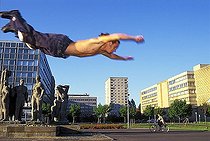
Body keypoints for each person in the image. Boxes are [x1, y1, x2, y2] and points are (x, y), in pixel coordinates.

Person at [0, 10, 144, 60]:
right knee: (33, 37)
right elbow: (117, 34)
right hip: (60, 44)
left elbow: (112, 56)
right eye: (115, 47)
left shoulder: (101, 51)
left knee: (32, 44)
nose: (114, 50)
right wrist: (133, 38)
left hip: (60, 51)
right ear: (110, 42)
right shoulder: (100, 42)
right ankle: (15, 16)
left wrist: (124, 58)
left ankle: (13, 26)